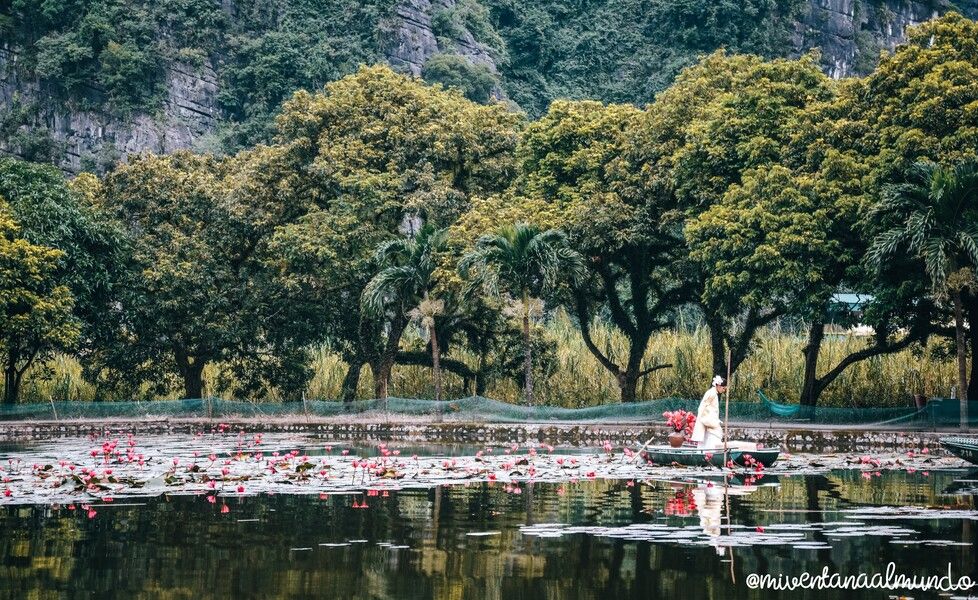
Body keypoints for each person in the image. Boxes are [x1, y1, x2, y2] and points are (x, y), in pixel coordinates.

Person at [691, 375, 726, 449]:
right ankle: (712, 450)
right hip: (708, 418)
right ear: (719, 386)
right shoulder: (712, 393)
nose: (724, 390)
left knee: (707, 436)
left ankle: (705, 450)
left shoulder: (713, 392)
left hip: (710, 418)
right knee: (715, 432)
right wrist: (707, 418)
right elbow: (703, 406)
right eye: (723, 388)